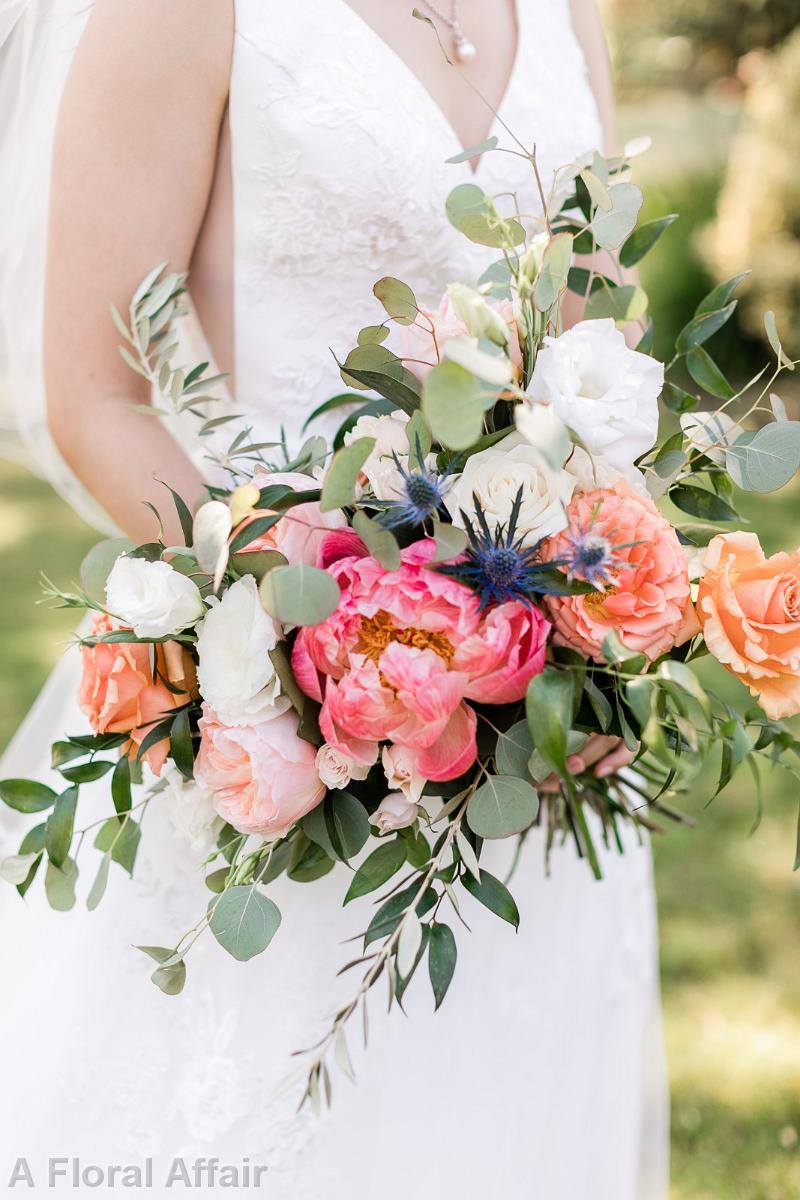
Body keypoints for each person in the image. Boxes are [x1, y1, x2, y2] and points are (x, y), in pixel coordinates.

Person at [0, 2, 668, 1195]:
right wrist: (314, 621)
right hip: (289, 728)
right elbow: (94, 393)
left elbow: (595, 344)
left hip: (535, 726)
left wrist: (592, 619)